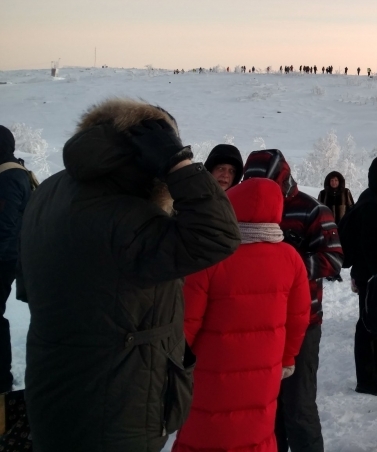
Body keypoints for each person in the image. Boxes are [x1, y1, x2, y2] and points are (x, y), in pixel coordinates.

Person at [18, 99, 241, 451]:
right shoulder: (126, 217)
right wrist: (179, 165)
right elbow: (220, 235)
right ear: (149, 152)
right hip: (117, 408)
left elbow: (30, 289)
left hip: (54, 388)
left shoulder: (49, 192)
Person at [173, 178, 311, 452]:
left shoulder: (212, 256)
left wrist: (172, 367)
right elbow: (299, 317)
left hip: (209, 375)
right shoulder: (290, 258)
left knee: (204, 436)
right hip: (265, 374)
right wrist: (286, 358)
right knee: (255, 435)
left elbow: (185, 325)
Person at [243, 149, 343, 452]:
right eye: (251, 183)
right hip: (257, 325)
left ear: (281, 180)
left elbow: (333, 259)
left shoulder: (313, 210)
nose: (258, 190)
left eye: (266, 183)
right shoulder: (243, 209)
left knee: (298, 407)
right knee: (266, 408)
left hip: (301, 324)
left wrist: (285, 265)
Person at [338, 157, 377, 397]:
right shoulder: (372, 204)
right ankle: (367, 378)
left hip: (372, 275)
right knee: (368, 327)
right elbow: (371, 246)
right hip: (371, 276)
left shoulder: (373, 198)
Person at [0, 125, 35, 394]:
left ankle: (0, 381)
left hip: (4, 258)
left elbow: (6, 226)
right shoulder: (12, 171)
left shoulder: (9, 175)